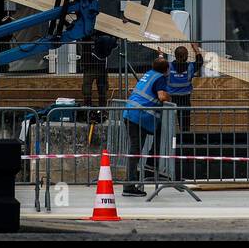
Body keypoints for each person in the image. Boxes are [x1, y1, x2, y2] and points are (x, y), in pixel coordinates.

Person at [121, 56, 171, 196]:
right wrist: (169, 97)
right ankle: (129, 185)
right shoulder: (160, 78)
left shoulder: (149, 74)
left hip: (131, 114)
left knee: (141, 144)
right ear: (166, 70)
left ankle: (149, 164)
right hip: (139, 118)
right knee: (135, 150)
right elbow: (161, 97)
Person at [166, 44, 203, 132]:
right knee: (185, 123)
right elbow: (200, 61)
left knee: (167, 123)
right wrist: (196, 49)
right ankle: (184, 142)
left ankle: (169, 141)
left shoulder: (168, 66)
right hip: (185, 99)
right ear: (186, 56)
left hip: (170, 99)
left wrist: (160, 54)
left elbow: (160, 63)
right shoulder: (191, 67)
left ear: (175, 56)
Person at [79, 31, 118, 115]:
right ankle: (94, 109)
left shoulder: (101, 39)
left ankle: (93, 109)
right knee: (94, 89)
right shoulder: (103, 39)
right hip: (94, 67)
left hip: (94, 67)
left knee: (94, 89)